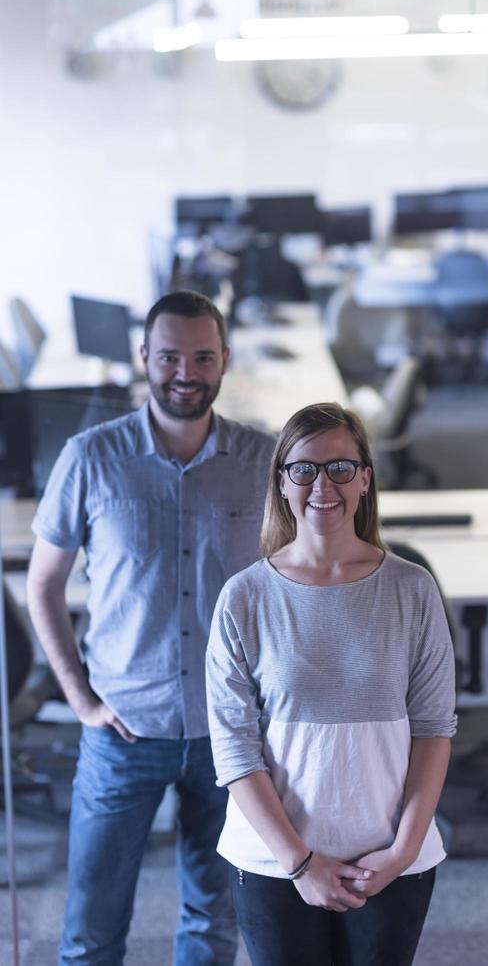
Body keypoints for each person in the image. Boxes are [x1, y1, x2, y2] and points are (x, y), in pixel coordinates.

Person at [26, 290, 275, 965]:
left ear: (225, 360)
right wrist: (80, 701)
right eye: (169, 357)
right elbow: (41, 585)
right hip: (123, 730)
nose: (185, 373)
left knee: (213, 923)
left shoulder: (265, 462)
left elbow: (296, 587)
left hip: (230, 734)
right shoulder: (91, 458)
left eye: (201, 357)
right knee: (90, 933)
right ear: (144, 359)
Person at [205, 402, 457, 966]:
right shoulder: (244, 598)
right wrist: (300, 862)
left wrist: (402, 852)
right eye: (304, 469)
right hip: (273, 860)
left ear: (366, 478)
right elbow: (234, 750)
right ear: (282, 482)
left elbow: (435, 729)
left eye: (340, 467)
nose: (323, 485)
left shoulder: (413, 590)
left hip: (389, 857)